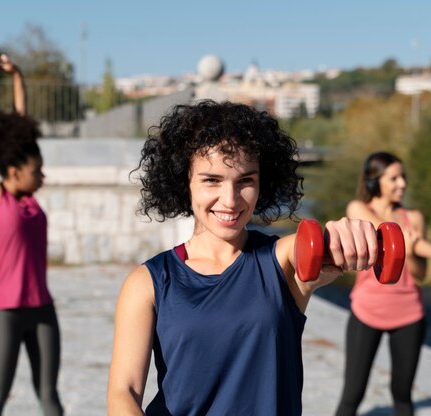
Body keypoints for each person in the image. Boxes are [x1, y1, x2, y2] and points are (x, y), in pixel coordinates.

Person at [106, 100, 383, 415]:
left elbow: (315, 243)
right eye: (212, 180)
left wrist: (348, 236)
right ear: (186, 181)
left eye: (245, 181)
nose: (230, 200)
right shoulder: (148, 282)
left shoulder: (282, 264)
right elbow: (123, 392)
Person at [335, 151, 431, 416]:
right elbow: (393, 237)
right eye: (394, 178)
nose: (402, 184)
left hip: (409, 315)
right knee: (352, 394)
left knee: (402, 395)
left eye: (404, 177)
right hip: (367, 311)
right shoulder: (359, 210)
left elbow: (420, 274)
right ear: (375, 180)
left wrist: (411, 252)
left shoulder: (415, 218)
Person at [0, 53, 64, 416]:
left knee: (50, 399)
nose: (43, 176)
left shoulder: (29, 202)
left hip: (42, 307)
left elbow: (21, 125)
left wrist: (17, 78)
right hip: (4, 312)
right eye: (37, 171)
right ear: (12, 170)